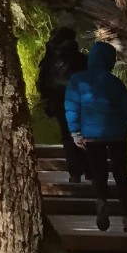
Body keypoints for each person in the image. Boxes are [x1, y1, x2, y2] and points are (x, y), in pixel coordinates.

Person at [64, 41, 127, 233]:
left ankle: (101, 201)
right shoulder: (114, 82)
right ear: (110, 61)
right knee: (121, 174)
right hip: (116, 135)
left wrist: (75, 131)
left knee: (99, 173)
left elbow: (72, 107)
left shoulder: (77, 80)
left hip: (92, 136)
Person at [36, 26, 89, 182]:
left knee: (67, 135)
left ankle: (75, 172)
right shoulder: (81, 59)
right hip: (80, 101)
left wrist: (46, 100)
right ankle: (89, 168)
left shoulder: (49, 60)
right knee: (84, 133)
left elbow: (43, 82)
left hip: (58, 101)